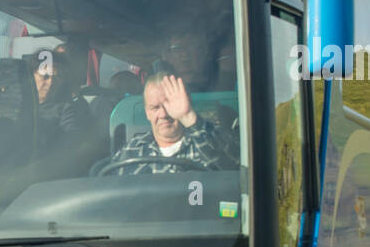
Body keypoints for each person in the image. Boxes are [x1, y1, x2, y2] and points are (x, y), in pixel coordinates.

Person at [98, 72, 238, 175]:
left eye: (170, 105)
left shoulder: (210, 140)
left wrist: (188, 116)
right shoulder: (132, 151)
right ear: (147, 112)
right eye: (155, 108)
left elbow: (233, 171)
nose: (163, 114)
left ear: (186, 104)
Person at [29, 49, 102, 179]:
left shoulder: (66, 109)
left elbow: (73, 137)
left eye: (57, 78)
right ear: (30, 77)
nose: (51, 83)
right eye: (45, 76)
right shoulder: (15, 108)